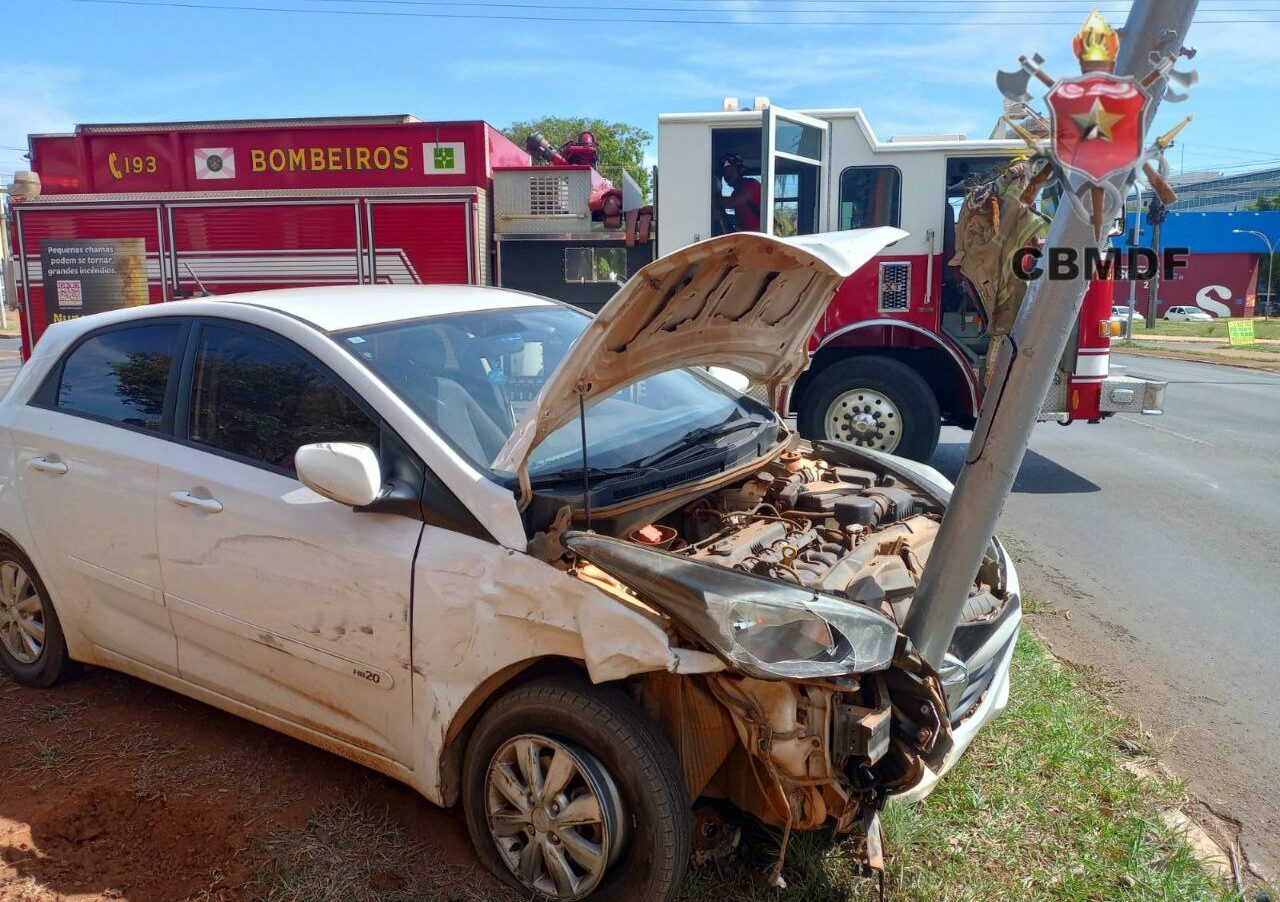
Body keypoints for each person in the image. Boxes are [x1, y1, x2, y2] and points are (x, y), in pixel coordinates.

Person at [714, 154, 762, 232]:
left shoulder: (751, 184)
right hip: (749, 236)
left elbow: (732, 202)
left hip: (761, 236)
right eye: (725, 172)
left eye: (731, 170)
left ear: (739, 170)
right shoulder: (735, 193)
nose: (727, 175)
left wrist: (711, 198)